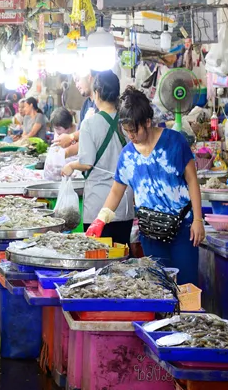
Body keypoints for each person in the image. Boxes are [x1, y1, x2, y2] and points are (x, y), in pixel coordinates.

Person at [86, 88, 204, 285]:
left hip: (183, 229)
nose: (131, 135)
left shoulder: (175, 142)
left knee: (186, 286)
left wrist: (198, 219)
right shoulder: (127, 155)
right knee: (158, 287)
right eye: (127, 130)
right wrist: (101, 219)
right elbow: (116, 190)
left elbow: (192, 180)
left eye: (135, 130)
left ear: (148, 122)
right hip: (150, 233)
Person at [61, 71, 134, 245]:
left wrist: (71, 166)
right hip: (124, 205)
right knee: (121, 257)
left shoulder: (89, 123)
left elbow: (86, 163)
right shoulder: (127, 121)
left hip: (98, 205)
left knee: (98, 257)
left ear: (98, 92)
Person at [56, 72, 97, 157]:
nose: (77, 85)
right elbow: (81, 138)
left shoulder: (101, 104)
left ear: (89, 77)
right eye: (75, 82)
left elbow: (91, 136)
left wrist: (70, 138)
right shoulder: (86, 104)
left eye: (78, 80)